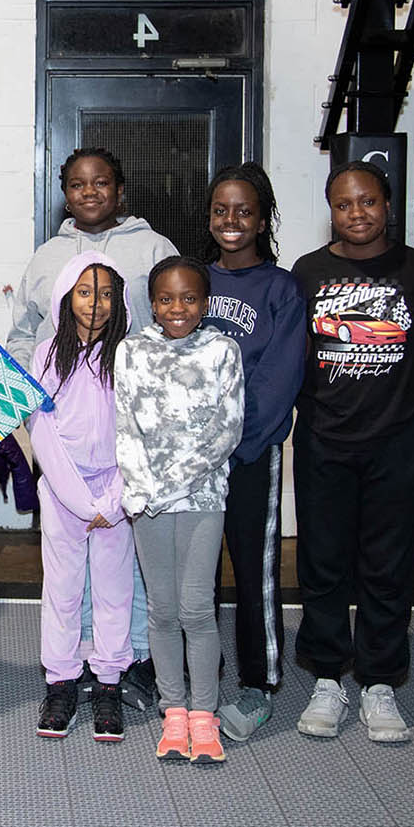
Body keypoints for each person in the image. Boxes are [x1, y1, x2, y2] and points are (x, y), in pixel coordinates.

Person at [6, 148, 177, 707]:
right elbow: (25, 332)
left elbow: (174, 323)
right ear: (65, 192)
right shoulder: (47, 256)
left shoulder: (152, 248)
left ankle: (130, 662)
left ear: (120, 190)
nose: (90, 193)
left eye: (102, 183)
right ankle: (71, 663)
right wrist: (30, 389)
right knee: (68, 570)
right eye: (77, 184)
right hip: (63, 427)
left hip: (127, 432)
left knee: (124, 569)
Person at [290, 161, 414, 744]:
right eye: (343, 204)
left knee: (388, 566)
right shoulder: (308, 272)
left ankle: (380, 681)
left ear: (388, 205)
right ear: (330, 210)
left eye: (368, 201)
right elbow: (302, 352)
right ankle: (328, 678)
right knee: (323, 563)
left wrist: (395, 415)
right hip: (324, 438)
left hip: (396, 442)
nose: (357, 213)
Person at [115, 255, 243, 766]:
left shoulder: (221, 350)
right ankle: (173, 712)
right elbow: (125, 427)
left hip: (201, 499)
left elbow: (226, 431)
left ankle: (204, 717)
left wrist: (169, 486)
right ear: (152, 303)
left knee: (196, 608)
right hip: (145, 501)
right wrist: (143, 487)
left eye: (189, 298)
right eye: (166, 299)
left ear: (205, 302)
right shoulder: (131, 351)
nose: (177, 308)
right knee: (162, 611)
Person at [199, 164, 304, 743]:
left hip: (247, 455)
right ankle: (200, 674)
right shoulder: (193, 280)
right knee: (197, 571)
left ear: (262, 219)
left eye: (244, 210)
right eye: (221, 210)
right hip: (188, 462)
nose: (231, 221)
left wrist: (231, 442)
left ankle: (258, 682)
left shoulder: (281, 288)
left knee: (253, 568)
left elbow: (278, 379)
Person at [28, 252, 132, 741]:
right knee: (63, 590)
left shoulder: (129, 354)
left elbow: (137, 431)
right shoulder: (47, 354)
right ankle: (62, 681)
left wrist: (111, 501)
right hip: (63, 491)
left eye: (107, 293)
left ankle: (108, 683)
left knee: (114, 590)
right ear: (67, 296)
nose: (96, 304)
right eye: (86, 292)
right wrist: (75, 499)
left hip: (117, 494)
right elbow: (41, 429)